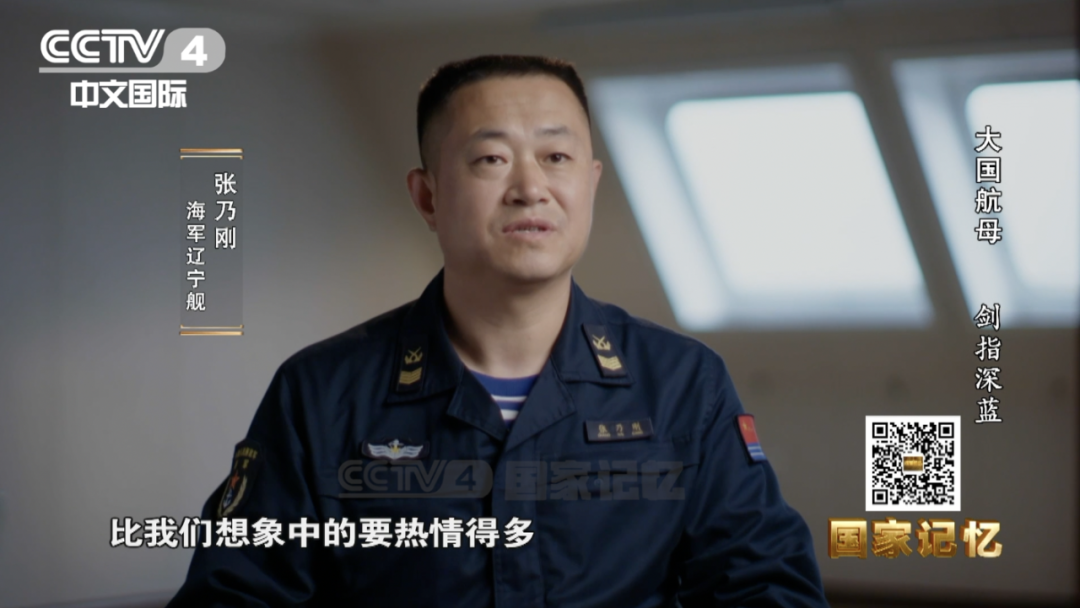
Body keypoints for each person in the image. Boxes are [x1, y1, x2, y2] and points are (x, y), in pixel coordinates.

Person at [168, 54, 829, 607]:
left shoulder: (682, 382)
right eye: (490, 159)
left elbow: (765, 585)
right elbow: (235, 593)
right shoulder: (321, 391)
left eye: (557, 156)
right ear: (427, 196)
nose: (530, 187)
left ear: (591, 182)